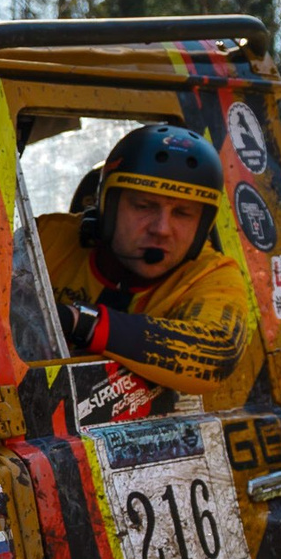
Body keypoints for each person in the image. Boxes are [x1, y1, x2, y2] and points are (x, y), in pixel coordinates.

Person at [38, 122, 255, 403]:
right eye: (144, 206)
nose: (162, 229)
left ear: (203, 226)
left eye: (183, 213)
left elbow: (218, 353)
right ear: (107, 206)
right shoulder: (48, 238)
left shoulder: (212, 275)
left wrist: (81, 322)